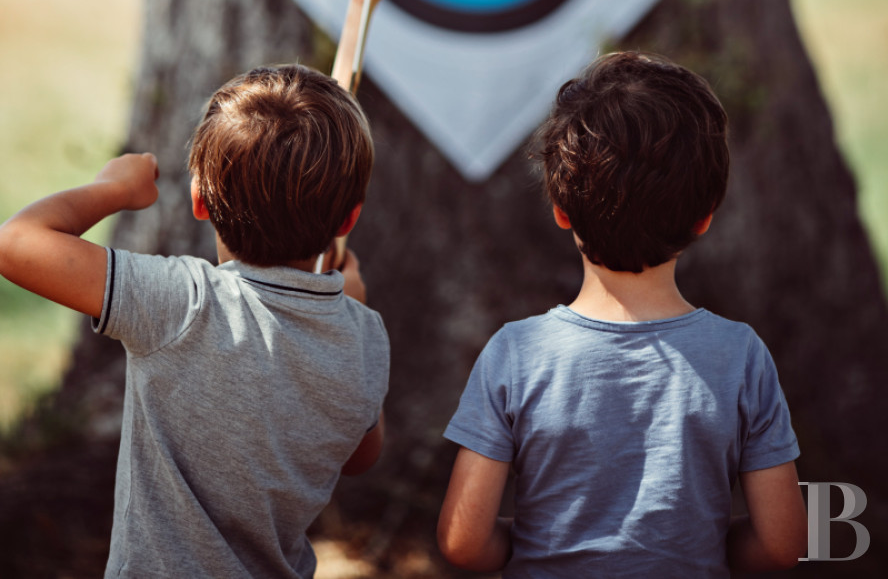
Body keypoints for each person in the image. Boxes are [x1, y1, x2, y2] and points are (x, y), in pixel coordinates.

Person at [0, 63, 389, 579]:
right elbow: (362, 457)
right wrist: (351, 310)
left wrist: (115, 188)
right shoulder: (365, 338)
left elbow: (16, 244)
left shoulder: (182, 303)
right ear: (348, 220)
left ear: (200, 201)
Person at [438, 51, 808, 576]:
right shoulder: (741, 357)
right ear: (704, 218)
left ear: (561, 211)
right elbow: (782, 544)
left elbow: (462, 543)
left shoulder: (515, 355)